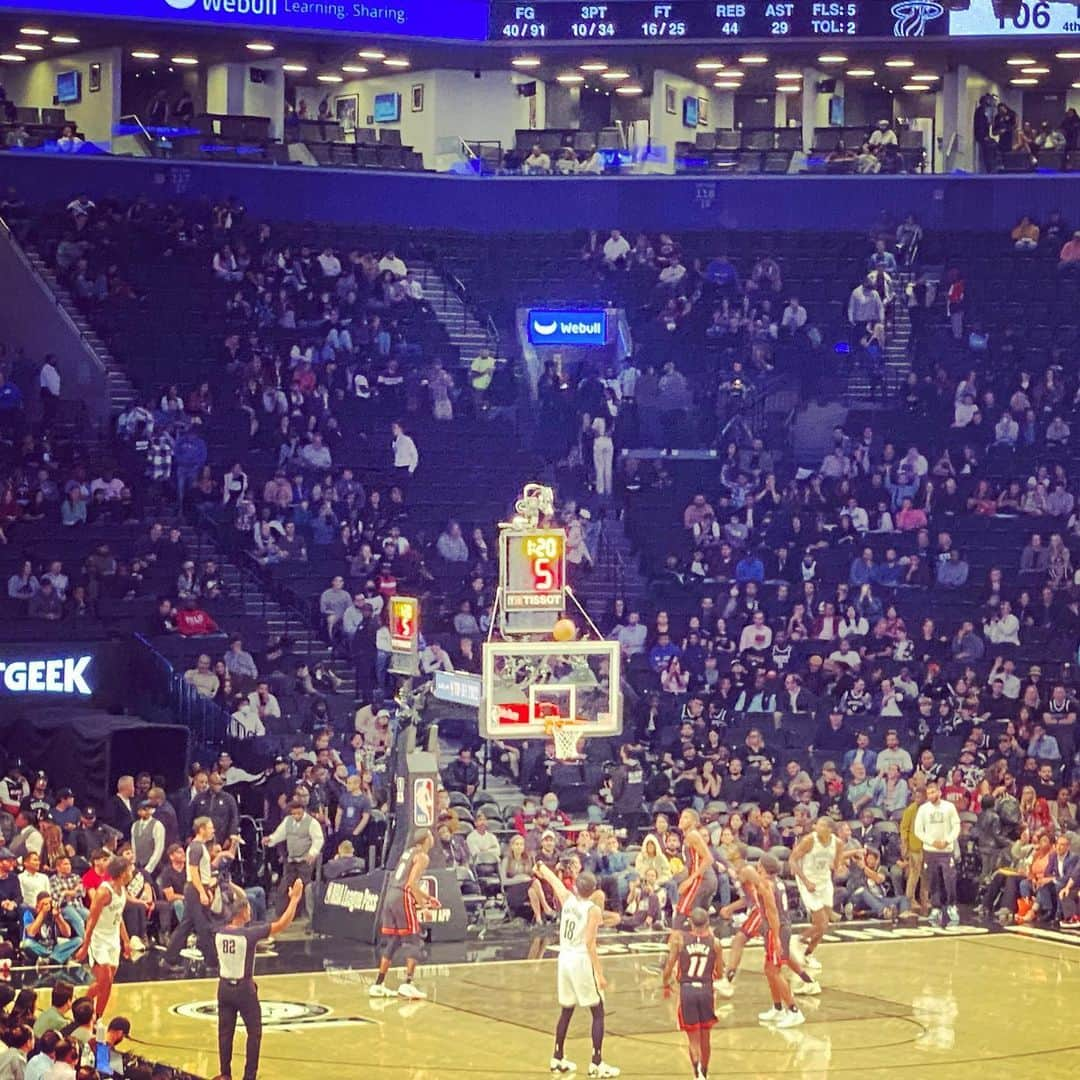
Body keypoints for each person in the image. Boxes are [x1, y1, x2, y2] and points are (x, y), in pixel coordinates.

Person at [535, 861, 619, 1078]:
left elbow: (553, 881)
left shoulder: (568, 899)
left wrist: (541, 867)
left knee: (567, 1009)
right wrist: (599, 973)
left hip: (564, 958)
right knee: (598, 1010)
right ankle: (597, 1063)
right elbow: (590, 944)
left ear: (576, 888)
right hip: (581, 959)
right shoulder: (592, 910)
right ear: (594, 891)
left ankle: (557, 1057)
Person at [214, 878, 303, 1080]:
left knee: (225, 1033)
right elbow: (282, 924)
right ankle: (249, 1076)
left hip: (223, 988)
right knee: (254, 1032)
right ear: (244, 912)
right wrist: (295, 900)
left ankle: (225, 1074)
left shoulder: (218, 932)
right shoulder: (248, 934)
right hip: (244, 990)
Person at [369, 830, 438, 1000]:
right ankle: (408, 983)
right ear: (426, 840)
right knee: (414, 938)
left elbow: (406, 881)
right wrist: (425, 908)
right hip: (402, 896)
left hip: (391, 894)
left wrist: (428, 898)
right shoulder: (422, 856)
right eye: (431, 835)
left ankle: (378, 984)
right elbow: (411, 884)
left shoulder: (408, 853)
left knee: (395, 939)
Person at [661, 907, 721, 1080]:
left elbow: (668, 967)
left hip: (687, 990)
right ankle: (706, 1072)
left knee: (693, 1039)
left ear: (691, 923)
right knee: (705, 1038)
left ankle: (697, 1075)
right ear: (708, 922)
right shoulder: (715, 943)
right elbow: (720, 972)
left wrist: (666, 983)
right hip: (706, 991)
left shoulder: (680, 940)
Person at [73, 855, 132, 1019]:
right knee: (104, 978)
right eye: (129, 869)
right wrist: (85, 946)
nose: (132, 872)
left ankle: (96, 1017)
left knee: (107, 982)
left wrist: (126, 941)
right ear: (122, 873)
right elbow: (91, 919)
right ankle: (84, 1010)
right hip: (98, 938)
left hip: (113, 938)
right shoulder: (104, 891)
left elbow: (118, 917)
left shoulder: (122, 890)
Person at [751, 856, 805, 1029]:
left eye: (759, 865)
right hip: (778, 928)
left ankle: (794, 1011)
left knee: (774, 970)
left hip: (778, 929)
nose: (756, 867)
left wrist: (775, 936)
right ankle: (778, 1008)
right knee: (768, 969)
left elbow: (773, 912)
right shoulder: (777, 881)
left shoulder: (766, 885)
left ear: (763, 868)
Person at [789, 818, 845, 973]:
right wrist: (806, 882)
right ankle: (797, 940)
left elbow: (836, 864)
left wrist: (839, 867)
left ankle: (808, 954)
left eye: (821, 825)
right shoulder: (809, 840)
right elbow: (792, 860)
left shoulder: (838, 843)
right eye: (817, 824)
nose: (816, 827)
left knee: (823, 926)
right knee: (821, 922)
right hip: (808, 881)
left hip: (824, 882)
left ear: (829, 829)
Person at [161, 817, 218, 970]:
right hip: (195, 888)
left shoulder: (200, 847)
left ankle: (169, 959)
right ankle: (212, 961)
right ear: (202, 829)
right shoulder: (196, 847)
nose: (213, 830)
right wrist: (202, 892)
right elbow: (193, 871)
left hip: (198, 888)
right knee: (203, 926)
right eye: (210, 827)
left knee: (186, 925)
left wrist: (206, 890)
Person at [914, 780, 961, 927]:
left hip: (946, 850)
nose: (930, 795)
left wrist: (948, 840)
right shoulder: (923, 809)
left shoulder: (949, 807)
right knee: (933, 880)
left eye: (933, 792)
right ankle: (935, 907)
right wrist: (931, 841)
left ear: (939, 792)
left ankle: (952, 906)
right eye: (928, 793)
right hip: (930, 850)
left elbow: (956, 826)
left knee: (949, 879)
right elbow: (918, 830)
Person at [674, 809, 717, 930]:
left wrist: (689, 880)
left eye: (686, 817)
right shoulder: (687, 835)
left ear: (694, 822)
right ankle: (708, 944)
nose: (682, 819)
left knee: (681, 912)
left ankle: (673, 943)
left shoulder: (693, 835)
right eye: (681, 816)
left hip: (702, 878)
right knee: (700, 918)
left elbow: (709, 858)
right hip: (705, 878)